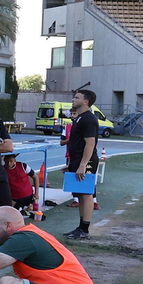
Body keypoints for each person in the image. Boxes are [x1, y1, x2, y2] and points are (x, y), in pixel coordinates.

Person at [63, 88, 101, 240]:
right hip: (77, 160)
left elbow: (90, 144)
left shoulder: (89, 119)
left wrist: (83, 164)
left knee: (86, 194)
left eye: (76, 97)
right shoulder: (80, 118)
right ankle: (80, 227)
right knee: (80, 194)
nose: (73, 99)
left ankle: (84, 229)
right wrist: (72, 163)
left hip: (87, 161)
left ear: (85, 101)